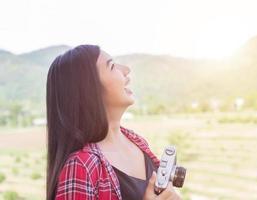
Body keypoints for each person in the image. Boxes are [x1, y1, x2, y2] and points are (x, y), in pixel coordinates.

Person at [46, 44, 181, 200]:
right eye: (112, 66)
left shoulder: (137, 141)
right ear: (89, 89)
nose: (126, 70)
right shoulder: (81, 166)